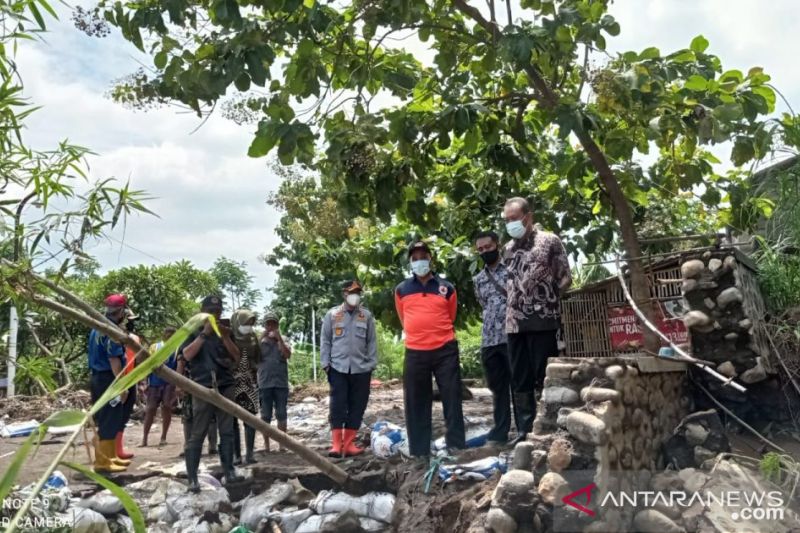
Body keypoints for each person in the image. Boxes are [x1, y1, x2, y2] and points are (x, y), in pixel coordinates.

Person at [503, 197, 572, 443]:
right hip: (514, 324)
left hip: (543, 321)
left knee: (544, 375)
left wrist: (547, 300)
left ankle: (547, 427)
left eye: (514, 219)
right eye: (507, 220)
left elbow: (565, 277)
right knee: (519, 377)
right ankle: (524, 429)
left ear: (528, 217)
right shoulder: (508, 249)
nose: (510, 224)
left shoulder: (549, 241)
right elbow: (508, 283)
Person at [394, 241, 466, 459]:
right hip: (415, 351)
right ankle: (419, 451)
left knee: (452, 397)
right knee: (415, 402)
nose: (419, 262)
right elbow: (403, 318)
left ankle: (456, 446)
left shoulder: (447, 288)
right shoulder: (401, 290)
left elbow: (451, 316)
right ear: (410, 262)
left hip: (445, 349)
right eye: (414, 259)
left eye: (422, 257)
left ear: (430, 259)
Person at [180, 295, 243, 492]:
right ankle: (192, 478)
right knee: (198, 433)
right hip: (203, 386)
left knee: (227, 431)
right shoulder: (193, 331)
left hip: (225, 385)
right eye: (210, 311)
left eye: (217, 311)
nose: (214, 315)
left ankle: (229, 470)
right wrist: (204, 334)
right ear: (202, 311)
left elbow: (237, 356)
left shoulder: (225, 332)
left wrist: (225, 337)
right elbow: (186, 355)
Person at [320, 280, 378, 457]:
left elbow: (371, 342)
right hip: (338, 368)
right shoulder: (332, 315)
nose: (355, 296)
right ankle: (336, 445)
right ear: (344, 294)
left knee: (357, 405)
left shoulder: (366, 316)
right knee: (337, 405)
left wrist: (371, 364)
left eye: (358, 293)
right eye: (352, 292)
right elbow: (326, 341)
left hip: (361, 369)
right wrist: (326, 365)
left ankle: (349, 444)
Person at [473, 230, 517, 445]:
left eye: (488, 247)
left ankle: (524, 429)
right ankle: (501, 431)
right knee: (498, 388)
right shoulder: (479, 279)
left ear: (497, 245)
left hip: (512, 337)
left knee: (518, 385)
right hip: (489, 340)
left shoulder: (512, 269)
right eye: (480, 249)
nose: (484, 252)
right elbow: (484, 304)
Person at [87, 294, 133, 473]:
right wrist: (121, 385)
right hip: (108, 378)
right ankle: (103, 462)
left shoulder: (97, 327)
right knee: (109, 418)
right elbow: (114, 360)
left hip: (98, 377)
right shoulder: (111, 330)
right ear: (121, 311)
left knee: (110, 418)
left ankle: (111, 456)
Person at [257, 312, 291, 452]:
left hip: (281, 383)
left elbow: (287, 355)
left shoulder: (284, 339)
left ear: (277, 325)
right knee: (265, 415)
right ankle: (266, 446)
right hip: (265, 383)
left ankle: (282, 445)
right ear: (264, 325)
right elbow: (253, 356)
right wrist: (261, 337)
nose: (270, 326)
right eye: (268, 324)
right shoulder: (260, 342)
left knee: (281, 414)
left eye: (273, 324)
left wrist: (279, 340)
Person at [140, 326, 178, 448]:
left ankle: (163, 437)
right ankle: (144, 438)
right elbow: (147, 364)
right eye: (167, 332)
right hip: (154, 383)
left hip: (169, 383)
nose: (169, 335)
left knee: (166, 407)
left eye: (171, 334)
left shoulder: (177, 349)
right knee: (150, 409)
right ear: (164, 334)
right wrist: (145, 381)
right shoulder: (154, 347)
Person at [231, 309, 260, 465]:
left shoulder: (253, 337)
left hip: (249, 381)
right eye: (245, 323)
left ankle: (249, 453)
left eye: (251, 323)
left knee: (250, 420)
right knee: (232, 419)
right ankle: (236, 455)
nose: (248, 326)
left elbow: (258, 357)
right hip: (232, 382)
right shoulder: (229, 336)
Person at [117, 309, 140, 461]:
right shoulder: (115, 336)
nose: (131, 323)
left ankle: (118, 448)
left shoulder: (134, 338)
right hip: (119, 379)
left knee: (124, 415)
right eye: (129, 320)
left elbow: (136, 359)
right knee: (115, 415)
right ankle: (111, 450)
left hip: (131, 378)